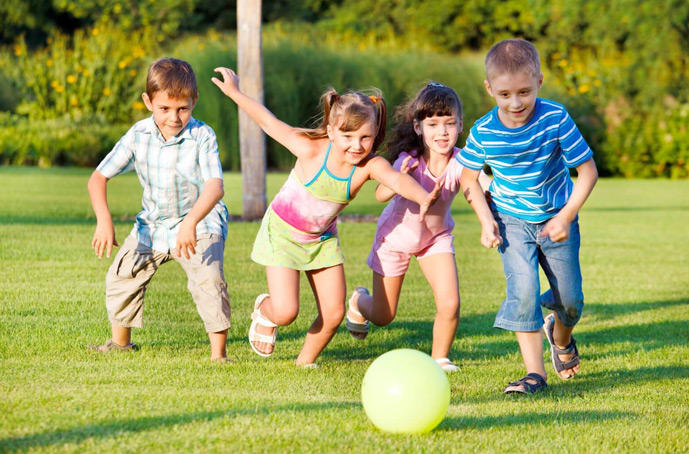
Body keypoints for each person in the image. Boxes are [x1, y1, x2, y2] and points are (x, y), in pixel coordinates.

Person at [211, 67, 441, 367]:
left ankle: (303, 363)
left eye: (365, 137)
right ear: (332, 131)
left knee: (333, 314)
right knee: (286, 312)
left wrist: (423, 196)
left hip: (321, 241)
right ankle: (266, 311)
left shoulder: (368, 166)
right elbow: (268, 122)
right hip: (282, 235)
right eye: (347, 135)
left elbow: (396, 180)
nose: (356, 145)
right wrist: (235, 93)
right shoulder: (309, 149)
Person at [458, 39, 598, 393]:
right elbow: (468, 178)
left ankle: (561, 336)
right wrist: (486, 220)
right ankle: (535, 374)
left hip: (556, 220)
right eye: (504, 94)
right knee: (522, 291)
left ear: (539, 82)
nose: (515, 102)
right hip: (511, 222)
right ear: (490, 89)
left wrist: (566, 216)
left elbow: (588, 171)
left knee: (571, 300)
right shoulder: (484, 131)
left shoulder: (555, 118)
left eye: (524, 91)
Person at [87, 58, 232, 362]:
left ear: (194, 101)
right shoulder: (138, 135)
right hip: (152, 226)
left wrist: (192, 221)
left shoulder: (202, 136)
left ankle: (219, 356)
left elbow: (215, 187)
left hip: (200, 223)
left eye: (183, 108)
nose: (174, 117)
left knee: (209, 280)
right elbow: (98, 177)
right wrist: (104, 219)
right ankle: (120, 344)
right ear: (148, 101)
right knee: (122, 274)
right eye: (164, 108)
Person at [346, 82, 491, 372]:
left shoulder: (462, 160)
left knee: (450, 303)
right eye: (433, 124)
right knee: (383, 315)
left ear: (460, 124)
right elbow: (380, 195)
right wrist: (397, 177)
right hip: (394, 239)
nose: (442, 132)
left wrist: (495, 208)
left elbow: (480, 185)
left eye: (450, 123)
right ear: (418, 127)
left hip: (435, 240)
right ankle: (358, 301)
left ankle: (440, 358)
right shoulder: (408, 160)